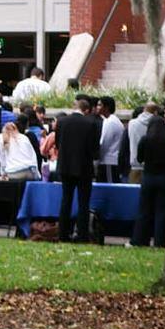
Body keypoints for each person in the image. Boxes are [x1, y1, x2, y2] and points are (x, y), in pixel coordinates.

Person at [52, 94, 102, 243]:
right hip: (83, 167)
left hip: (65, 166)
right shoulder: (90, 124)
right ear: (86, 110)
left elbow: (58, 143)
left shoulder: (62, 122)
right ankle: (82, 235)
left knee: (66, 200)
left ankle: (62, 234)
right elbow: (94, 149)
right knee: (83, 202)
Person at [131, 102, 165, 248]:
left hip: (149, 176)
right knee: (163, 211)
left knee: (144, 210)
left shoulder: (145, 139)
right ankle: (160, 241)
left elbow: (139, 158)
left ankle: (140, 239)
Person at [95, 96, 124, 183]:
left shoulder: (111, 122)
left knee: (109, 185)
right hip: (108, 160)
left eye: (100, 105)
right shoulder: (108, 120)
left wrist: (97, 159)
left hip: (109, 161)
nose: (97, 107)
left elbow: (105, 143)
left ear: (106, 107)